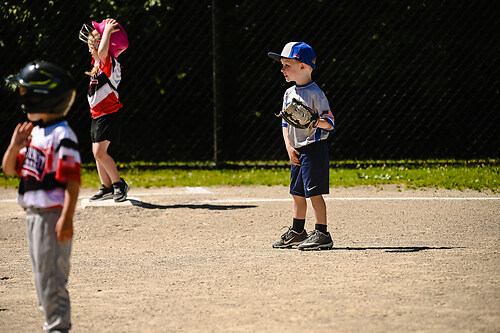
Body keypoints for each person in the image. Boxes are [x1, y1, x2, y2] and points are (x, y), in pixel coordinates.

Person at [2, 61, 81, 332]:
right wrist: (14, 146)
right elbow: (10, 169)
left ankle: (57, 327)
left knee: (51, 278)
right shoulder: (35, 133)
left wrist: (67, 218)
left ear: (42, 96)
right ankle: (52, 323)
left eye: (26, 91)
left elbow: (73, 180)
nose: (22, 96)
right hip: (33, 217)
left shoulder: (62, 134)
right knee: (40, 278)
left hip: (52, 217)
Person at [267, 42, 336, 250]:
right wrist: (289, 146)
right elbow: (284, 123)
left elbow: (330, 123)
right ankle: (298, 231)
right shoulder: (289, 93)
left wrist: (314, 121)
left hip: (314, 148)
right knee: (296, 193)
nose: (282, 69)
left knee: (314, 193)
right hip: (297, 148)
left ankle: (322, 233)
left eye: (287, 64)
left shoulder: (316, 93)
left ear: (304, 66)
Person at [79, 18, 129, 202]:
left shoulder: (109, 61)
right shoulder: (98, 63)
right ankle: (106, 187)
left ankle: (119, 184)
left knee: (100, 152)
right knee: (96, 153)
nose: (89, 43)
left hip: (108, 114)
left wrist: (107, 31)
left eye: (94, 40)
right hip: (98, 115)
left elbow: (102, 52)